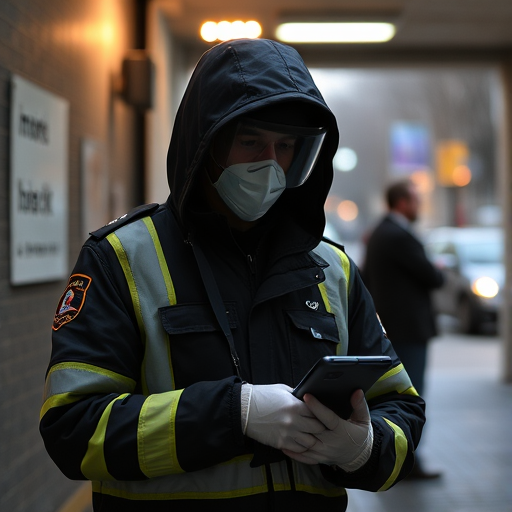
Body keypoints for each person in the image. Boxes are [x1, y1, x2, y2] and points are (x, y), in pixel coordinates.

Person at [40, 39, 425, 511]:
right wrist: (232, 413)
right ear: (206, 143)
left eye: (286, 146)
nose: (271, 163)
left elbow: (401, 407)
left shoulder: (332, 271)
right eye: (250, 141)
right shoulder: (121, 259)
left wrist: (363, 449)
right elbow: (74, 430)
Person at [362, 179, 444, 480]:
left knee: (395, 395)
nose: (418, 205)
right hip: (409, 331)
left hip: (393, 330)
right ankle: (410, 462)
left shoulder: (378, 233)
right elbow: (432, 277)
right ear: (401, 203)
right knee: (413, 396)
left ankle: (399, 457)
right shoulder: (399, 235)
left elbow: (365, 277)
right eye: (415, 200)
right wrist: (439, 270)